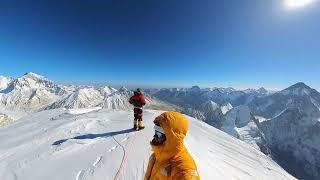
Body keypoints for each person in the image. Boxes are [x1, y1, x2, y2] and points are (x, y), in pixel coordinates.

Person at [145, 112, 200, 180]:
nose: (154, 136)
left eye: (159, 134)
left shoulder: (184, 170)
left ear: (172, 138)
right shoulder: (157, 155)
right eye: (155, 132)